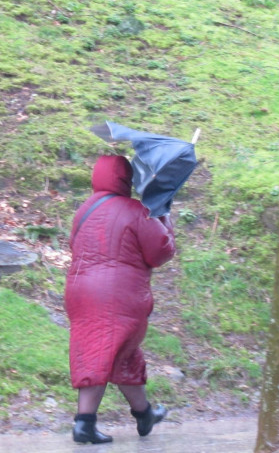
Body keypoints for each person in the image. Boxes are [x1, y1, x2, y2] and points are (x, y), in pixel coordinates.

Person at [65, 155, 176, 444]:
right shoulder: (136, 210)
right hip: (119, 296)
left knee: (114, 353)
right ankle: (86, 423)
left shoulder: (84, 210)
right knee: (108, 353)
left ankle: (141, 414)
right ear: (127, 180)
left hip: (80, 291)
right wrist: (164, 216)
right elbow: (160, 252)